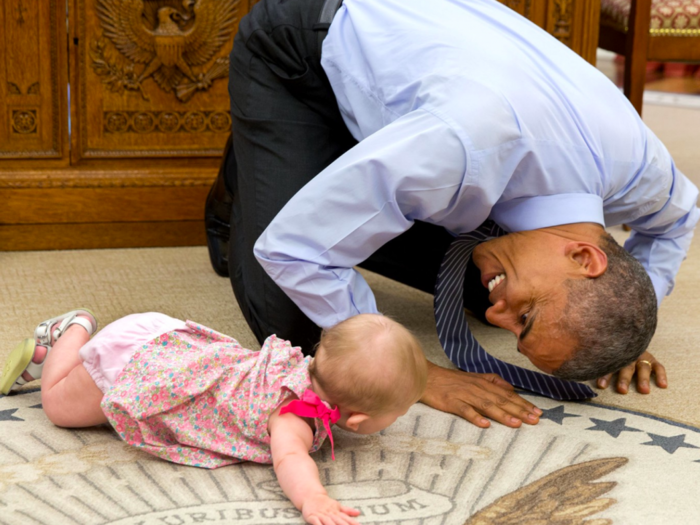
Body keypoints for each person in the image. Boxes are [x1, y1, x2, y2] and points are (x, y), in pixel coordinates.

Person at [204, 0, 699, 429]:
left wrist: (620, 328)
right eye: (525, 318)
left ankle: (316, 165)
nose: (496, 316)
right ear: (585, 257)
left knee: (466, 284)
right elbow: (294, 247)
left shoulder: (641, 171)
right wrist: (413, 370)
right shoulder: (461, 146)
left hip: (430, 86)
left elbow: (682, 218)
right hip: (302, 45)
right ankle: (261, 163)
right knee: (298, 325)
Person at [0, 310, 427, 525]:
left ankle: (53, 353)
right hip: (137, 366)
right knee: (57, 407)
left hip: (170, 342)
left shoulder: (299, 364)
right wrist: (313, 497)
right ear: (357, 421)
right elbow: (290, 460)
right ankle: (70, 332)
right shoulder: (294, 416)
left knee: (71, 398)